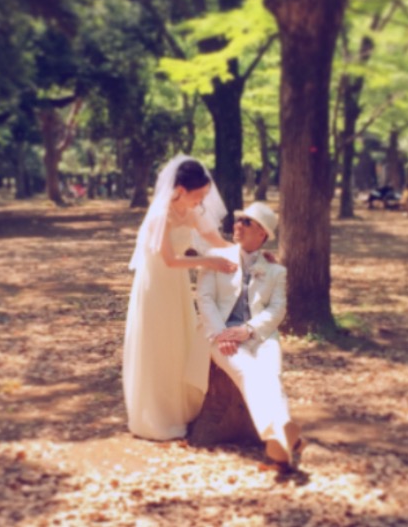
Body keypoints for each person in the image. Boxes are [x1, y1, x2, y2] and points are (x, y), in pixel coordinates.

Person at [123, 155, 237, 441]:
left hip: (177, 286)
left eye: (204, 196)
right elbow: (170, 260)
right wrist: (208, 262)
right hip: (156, 286)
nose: (201, 201)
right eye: (198, 195)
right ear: (180, 190)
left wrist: (249, 254)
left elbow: (218, 242)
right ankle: (157, 416)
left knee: (178, 343)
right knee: (159, 345)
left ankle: (179, 408)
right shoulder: (160, 216)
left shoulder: (193, 212)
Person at [196, 201, 303, 468]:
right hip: (222, 335)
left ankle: (279, 439)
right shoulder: (215, 257)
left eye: (246, 222)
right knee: (247, 371)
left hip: (261, 335)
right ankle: (280, 433)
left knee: (271, 374)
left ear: (262, 233)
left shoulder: (275, 270)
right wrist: (222, 334)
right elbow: (204, 299)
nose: (238, 225)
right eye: (238, 220)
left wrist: (250, 329)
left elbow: (277, 309)